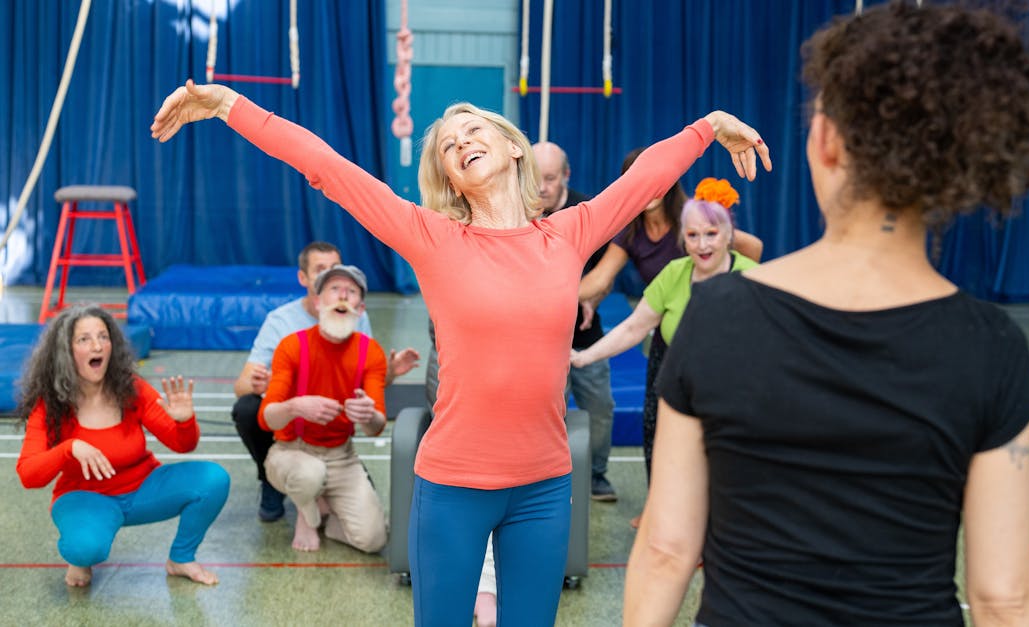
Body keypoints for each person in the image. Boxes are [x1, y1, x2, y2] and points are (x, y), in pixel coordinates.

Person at [151, 80, 768, 625]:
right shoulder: (433, 238)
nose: (461, 143)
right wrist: (228, 105)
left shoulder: (568, 233)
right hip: (451, 486)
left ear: (513, 148)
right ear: (449, 177)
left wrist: (709, 127)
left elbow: (644, 181)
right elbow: (327, 168)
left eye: (474, 131)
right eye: (449, 145)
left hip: (545, 486)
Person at [624, 3, 1029, 625]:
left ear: (824, 141)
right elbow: (1004, 597)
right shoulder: (991, 346)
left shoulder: (716, 317)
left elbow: (666, 550)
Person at [16, 305, 230, 588]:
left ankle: (181, 558)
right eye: (84, 339)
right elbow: (29, 475)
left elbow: (182, 445)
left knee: (213, 479)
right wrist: (69, 448)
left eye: (103, 337)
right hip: (85, 498)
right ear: (65, 352)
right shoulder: (50, 404)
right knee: (85, 548)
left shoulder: (131, 388)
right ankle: (81, 557)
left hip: (143, 490)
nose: (97, 346)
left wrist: (185, 422)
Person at [570, 194, 758, 482]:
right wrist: (584, 357)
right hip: (678, 383)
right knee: (669, 459)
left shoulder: (752, 277)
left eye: (711, 234)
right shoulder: (674, 273)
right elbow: (634, 327)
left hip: (730, 391)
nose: (702, 245)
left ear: (728, 234)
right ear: (683, 238)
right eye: (693, 236)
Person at [232, 241, 419, 522]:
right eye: (321, 270)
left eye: (336, 269)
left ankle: (333, 481)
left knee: (371, 532)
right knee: (247, 408)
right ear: (304, 279)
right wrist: (272, 385)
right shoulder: (281, 323)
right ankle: (271, 480)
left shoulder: (355, 317)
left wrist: (388, 373)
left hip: (335, 433)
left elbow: (367, 385)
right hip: (290, 427)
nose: (331, 277)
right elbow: (241, 386)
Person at [258, 264, 390, 553]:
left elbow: (376, 426)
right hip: (292, 451)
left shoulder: (371, 352)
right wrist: (295, 406)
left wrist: (368, 415)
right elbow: (266, 418)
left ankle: (326, 511)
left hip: (342, 457)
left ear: (361, 308)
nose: (342, 296)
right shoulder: (292, 346)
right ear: (317, 302)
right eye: (334, 289)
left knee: (374, 540)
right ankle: (308, 514)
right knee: (309, 474)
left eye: (351, 291)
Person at [533, 140, 619, 502]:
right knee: (540, 412)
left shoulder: (587, 211)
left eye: (550, 178)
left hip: (583, 335)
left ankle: (596, 475)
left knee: (599, 407)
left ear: (566, 175)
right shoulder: (515, 212)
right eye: (534, 177)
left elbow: (607, 273)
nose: (541, 187)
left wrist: (590, 297)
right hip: (535, 340)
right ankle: (540, 477)